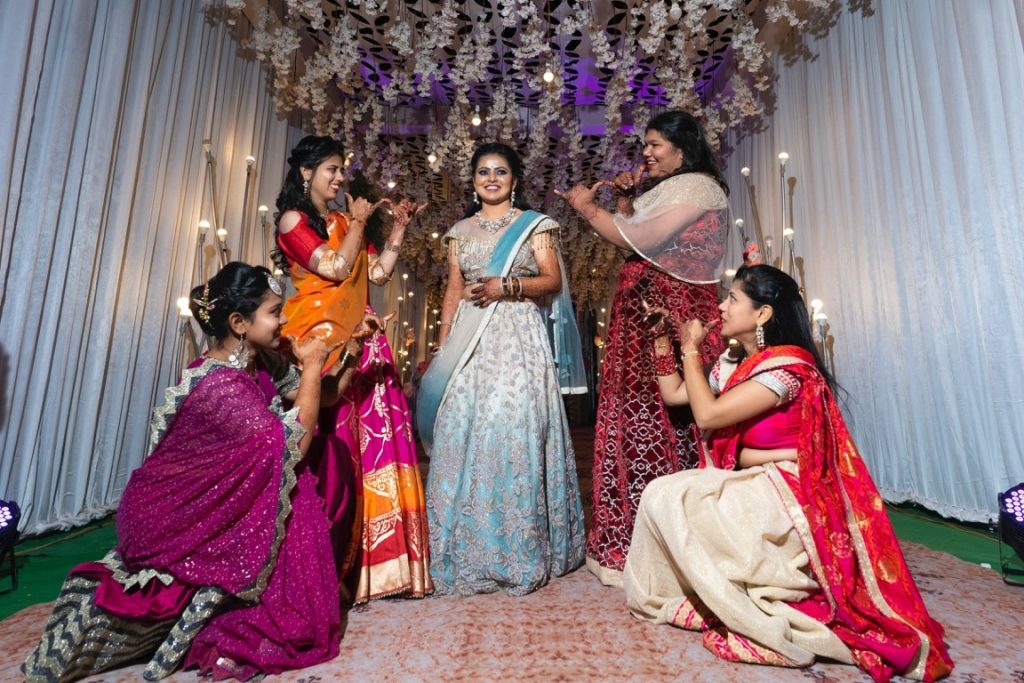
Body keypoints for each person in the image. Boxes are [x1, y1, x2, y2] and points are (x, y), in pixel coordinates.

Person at [23, 263, 383, 682]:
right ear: (238, 322)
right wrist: (308, 367)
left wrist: (353, 353)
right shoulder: (218, 385)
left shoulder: (261, 357)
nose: (284, 320)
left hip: (232, 497)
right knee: (299, 484)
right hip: (180, 518)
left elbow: (319, 400)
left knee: (328, 456)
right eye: (274, 311)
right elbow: (293, 446)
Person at [623, 265, 954, 682]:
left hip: (791, 497)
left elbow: (707, 412)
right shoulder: (737, 365)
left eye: (733, 299)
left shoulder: (786, 372)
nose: (721, 306)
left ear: (762, 315)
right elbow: (677, 395)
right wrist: (660, 341)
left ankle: (752, 601)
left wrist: (690, 348)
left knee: (677, 496)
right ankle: (709, 590)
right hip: (760, 481)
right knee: (664, 492)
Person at [555, 109, 730, 585]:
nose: (647, 153)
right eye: (646, 145)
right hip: (644, 315)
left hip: (675, 318)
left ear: (683, 149)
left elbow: (645, 239)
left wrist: (587, 208)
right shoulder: (672, 189)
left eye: (656, 145)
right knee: (635, 416)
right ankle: (633, 532)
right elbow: (638, 244)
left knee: (668, 417)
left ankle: (678, 540)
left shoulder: (697, 187)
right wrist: (629, 203)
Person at [418, 142, 587, 596]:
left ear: (514, 181)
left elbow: (551, 281)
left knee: (512, 429)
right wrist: (443, 346)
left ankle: (517, 545)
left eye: (501, 172)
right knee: (460, 429)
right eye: (482, 173)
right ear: (473, 182)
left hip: (516, 338)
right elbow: (453, 291)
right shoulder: (458, 232)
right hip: (468, 344)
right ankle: (460, 543)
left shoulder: (535, 227)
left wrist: (506, 286)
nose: (491, 179)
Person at [273, 135, 431, 603]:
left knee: (376, 448)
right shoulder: (292, 220)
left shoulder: (344, 219)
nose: (340, 178)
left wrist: (397, 230)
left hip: (364, 341)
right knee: (336, 447)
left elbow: (374, 275)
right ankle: (333, 562)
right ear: (306, 173)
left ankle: (381, 563)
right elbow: (337, 269)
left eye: (341, 169)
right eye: (331, 169)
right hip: (321, 341)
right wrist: (361, 224)